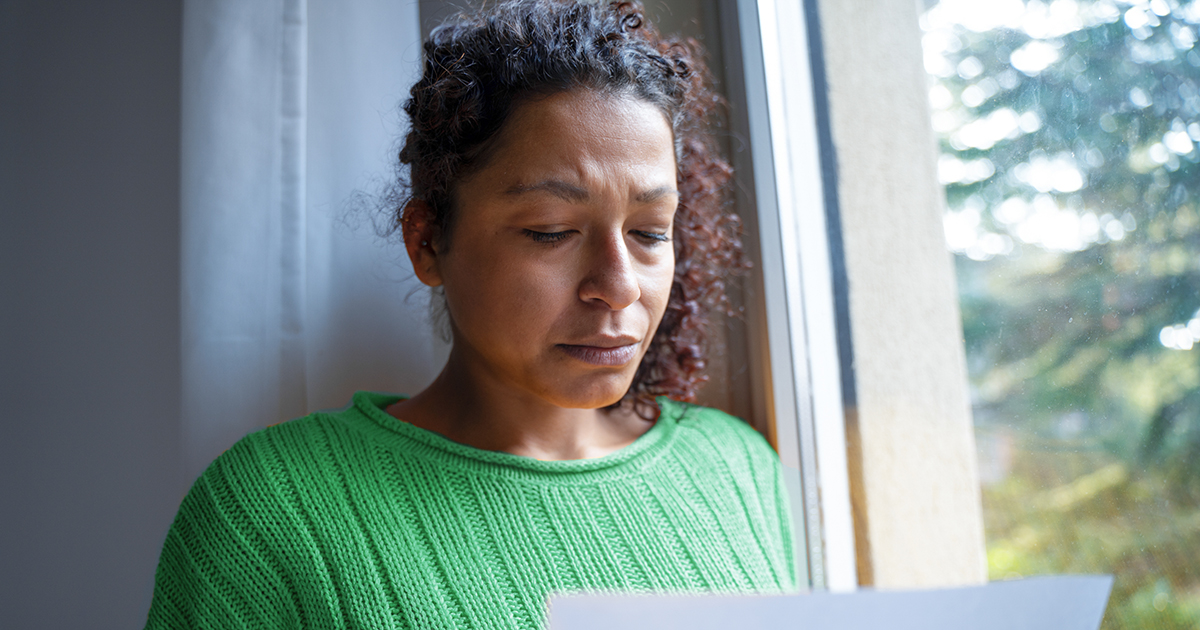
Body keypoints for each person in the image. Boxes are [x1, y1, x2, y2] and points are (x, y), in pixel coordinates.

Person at [144, 1, 796, 628]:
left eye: (651, 233)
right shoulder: (268, 512)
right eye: (550, 231)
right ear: (428, 242)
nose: (619, 287)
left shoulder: (738, 470)